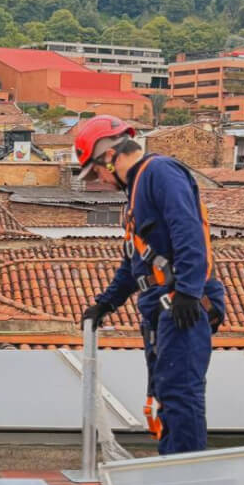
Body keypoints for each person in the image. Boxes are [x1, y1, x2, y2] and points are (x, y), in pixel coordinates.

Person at [76, 115, 225, 455]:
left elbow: (188, 232)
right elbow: (135, 262)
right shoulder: (135, 194)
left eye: (96, 170)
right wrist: (107, 303)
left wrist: (188, 291)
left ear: (110, 157)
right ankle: (171, 467)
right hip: (162, 305)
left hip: (182, 302)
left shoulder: (159, 173)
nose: (98, 179)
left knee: (180, 392)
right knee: (166, 394)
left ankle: (185, 476)